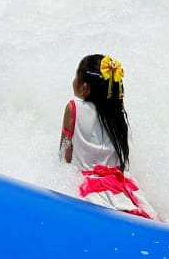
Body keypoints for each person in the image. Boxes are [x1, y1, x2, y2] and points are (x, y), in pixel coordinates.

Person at [60, 54, 157, 220]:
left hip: (88, 186)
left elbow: (65, 154)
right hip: (120, 185)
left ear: (84, 88)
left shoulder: (73, 107)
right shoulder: (117, 111)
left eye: (77, 75)